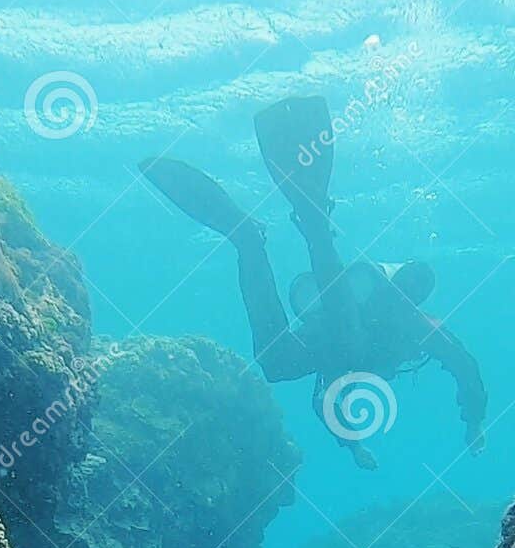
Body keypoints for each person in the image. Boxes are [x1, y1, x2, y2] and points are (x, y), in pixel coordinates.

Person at [140, 95, 486, 469]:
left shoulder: (357, 361)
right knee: (347, 331)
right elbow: (463, 364)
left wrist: (353, 447)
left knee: (277, 365)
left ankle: (248, 241)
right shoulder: (417, 326)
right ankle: (313, 218)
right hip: (337, 321)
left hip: (326, 333)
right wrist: (474, 421)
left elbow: (324, 403)